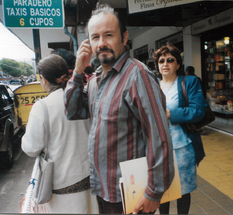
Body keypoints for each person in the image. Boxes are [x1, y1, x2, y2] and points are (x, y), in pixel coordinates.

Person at [64, 3, 174, 214]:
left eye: (108, 35)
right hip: (103, 188)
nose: (102, 43)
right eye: (95, 37)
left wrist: (154, 192)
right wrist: (78, 71)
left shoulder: (137, 75)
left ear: (124, 38)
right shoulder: (96, 80)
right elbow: (72, 111)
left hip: (130, 193)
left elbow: (158, 135)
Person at [21, 54, 97, 213]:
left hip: (62, 186)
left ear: (43, 79)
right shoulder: (84, 97)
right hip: (91, 178)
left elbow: (31, 148)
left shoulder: (42, 107)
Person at [153, 44, 207, 214]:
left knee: (183, 191)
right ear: (157, 65)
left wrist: (170, 114)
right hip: (159, 147)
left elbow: (198, 110)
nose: (165, 64)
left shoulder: (188, 82)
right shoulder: (153, 85)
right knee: (162, 190)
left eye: (170, 60)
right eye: (161, 61)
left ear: (178, 64)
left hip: (182, 146)